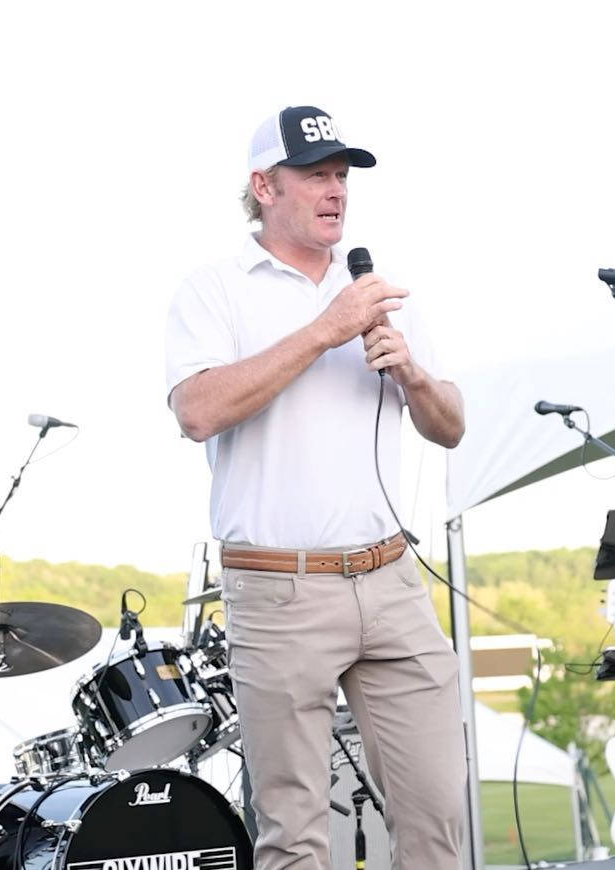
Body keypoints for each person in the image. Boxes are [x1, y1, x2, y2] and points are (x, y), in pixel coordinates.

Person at [164, 105, 467, 870]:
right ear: (264, 185)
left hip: (391, 579)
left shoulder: (377, 291)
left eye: (342, 176)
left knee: (438, 819)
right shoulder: (214, 290)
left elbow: (450, 425)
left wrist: (413, 374)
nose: (336, 191)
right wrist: (325, 331)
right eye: (316, 175)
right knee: (295, 837)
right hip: (280, 591)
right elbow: (197, 412)